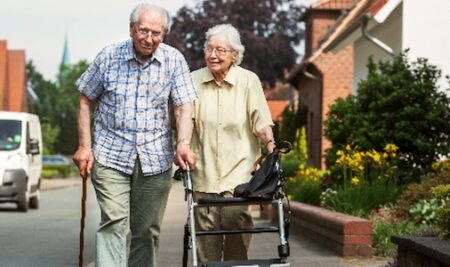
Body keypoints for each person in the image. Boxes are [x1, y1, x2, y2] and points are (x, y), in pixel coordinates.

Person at [72, 3, 197, 267]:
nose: (149, 38)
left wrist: (183, 143)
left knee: (146, 231)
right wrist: (85, 146)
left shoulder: (174, 60)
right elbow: (85, 99)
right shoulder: (108, 57)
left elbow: (184, 105)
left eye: (156, 33)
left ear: (165, 34)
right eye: (143, 31)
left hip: (155, 158)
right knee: (114, 221)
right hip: (110, 155)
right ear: (131, 29)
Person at [190, 24, 276, 262]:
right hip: (204, 172)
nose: (213, 54)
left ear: (234, 55)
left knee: (236, 222)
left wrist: (272, 150)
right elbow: (185, 121)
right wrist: (182, 145)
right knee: (207, 236)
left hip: (239, 173)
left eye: (220, 49)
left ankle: (236, 266)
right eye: (209, 48)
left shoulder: (248, 81)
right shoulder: (192, 80)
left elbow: (261, 122)